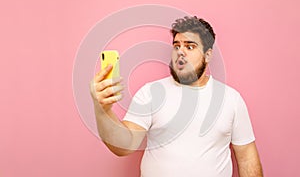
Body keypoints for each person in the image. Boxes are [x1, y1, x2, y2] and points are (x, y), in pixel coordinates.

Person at [90, 16, 263, 177]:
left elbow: (247, 157)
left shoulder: (230, 99)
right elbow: (124, 146)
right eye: (176, 46)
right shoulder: (151, 93)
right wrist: (102, 109)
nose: (180, 52)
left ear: (208, 54)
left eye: (189, 46)